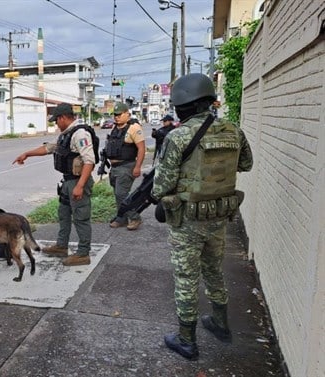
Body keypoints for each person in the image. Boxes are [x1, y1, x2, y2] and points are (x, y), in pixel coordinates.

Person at [151, 73, 253, 360]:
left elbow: (161, 186)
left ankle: (186, 340)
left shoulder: (178, 136)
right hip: (219, 216)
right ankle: (221, 324)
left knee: (186, 276)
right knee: (213, 269)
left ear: (184, 104)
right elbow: (246, 163)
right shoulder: (234, 130)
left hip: (187, 220)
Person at [13, 103, 95, 267]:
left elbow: (89, 161)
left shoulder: (80, 134)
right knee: (64, 214)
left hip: (77, 181)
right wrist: (27, 154)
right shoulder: (66, 134)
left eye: (56, 121)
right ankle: (61, 246)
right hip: (67, 181)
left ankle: (83, 254)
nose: (56, 124)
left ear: (63, 118)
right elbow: (50, 148)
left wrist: (80, 186)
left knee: (81, 217)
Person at [105, 102, 146, 230]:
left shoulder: (134, 128)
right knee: (118, 194)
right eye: (115, 115)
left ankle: (134, 217)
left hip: (127, 165)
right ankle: (121, 217)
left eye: (119, 114)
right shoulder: (115, 128)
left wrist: (138, 167)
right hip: (115, 168)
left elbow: (141, 149)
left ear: (127, 114)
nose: (116, 117)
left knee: (121, 194)